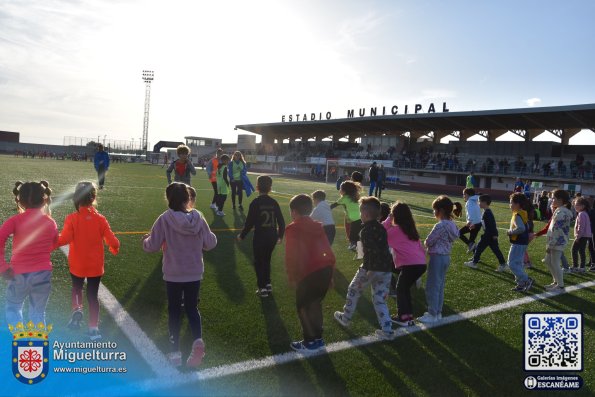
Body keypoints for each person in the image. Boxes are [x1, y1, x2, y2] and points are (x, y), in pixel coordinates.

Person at [142, 182, 217, 367]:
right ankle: (198, 340)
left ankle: (175, 352)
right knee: (192, 308)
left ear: (169, 198)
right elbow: (210, 243)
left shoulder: (165, 219)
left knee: (174, 310)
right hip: (194, 272)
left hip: (174, 273)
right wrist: (209, 237)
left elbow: (152, 246)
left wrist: (145, 240)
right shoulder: (198, 217)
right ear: (187, 198)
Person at [57, 181, 120, 340]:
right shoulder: (100, 219)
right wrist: (114, 248)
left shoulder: (71, 218)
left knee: (77, 288)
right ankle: (93, 328)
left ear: (76, 198)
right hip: (95, 266)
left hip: (77, 264)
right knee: (93, 296)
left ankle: (77, 308)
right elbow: (112, 240)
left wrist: (50, 241)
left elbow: (63, 239)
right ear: (93, 198)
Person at [334, 196, 396, 340]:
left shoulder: (366, 231)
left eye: (361, 213)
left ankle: (346, 317)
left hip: (371, 269)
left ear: (366, 214)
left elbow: (372, 253)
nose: (360, 216)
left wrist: (368, 274)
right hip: (386, 270)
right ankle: (387, 330)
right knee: (380, 299)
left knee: (353, 290)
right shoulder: (381, 227)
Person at [0, 181, 57, 327]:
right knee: (38, 313)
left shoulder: (15, 220)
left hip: (18, 274)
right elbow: (53, 243)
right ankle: (38, 346)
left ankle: (19, 342)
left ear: (20, 201)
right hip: (43, 274)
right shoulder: (50, 223)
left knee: (13, 308)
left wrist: (3, 267)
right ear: (44, 200)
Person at [285, 194, 335, 352]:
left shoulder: (293, 228)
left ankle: (310, 341)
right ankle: (318, 338)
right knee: (315, 304)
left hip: (309, 274)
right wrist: (330, 274)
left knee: (303, 307)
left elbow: (291, 255)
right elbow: (327, 250)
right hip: (325, 270)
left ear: (293, 212)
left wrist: (292, 276)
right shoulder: (318, 226)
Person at [237, 176, 285, 297]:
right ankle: (268, 283)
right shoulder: (274, 202)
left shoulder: (255, 202)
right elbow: (281, 221)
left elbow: (249, 223)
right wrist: (280, 236)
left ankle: (262, 287)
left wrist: (242, 235)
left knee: (259, 262)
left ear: (257, 187)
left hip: (260, 237)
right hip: (272, 237)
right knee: (267, 260)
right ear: (270, 188)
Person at [382, 202, 426, 326]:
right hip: (420, 264)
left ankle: (403, 317)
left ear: (395, 215)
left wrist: (389, 218)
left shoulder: (396, 230)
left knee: (400, 289)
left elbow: (381, 231)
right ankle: (408, 316)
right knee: (404, 289)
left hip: (411, 265)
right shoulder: (410, 229)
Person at [418, 196, 459, 324]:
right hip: (446, 257)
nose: (434, 212)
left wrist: (424, 242)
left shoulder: (440, 225)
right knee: (439, 285)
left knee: (432, 286)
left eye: (434, 209)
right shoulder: (452, 224)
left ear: (440, 210)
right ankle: (437, 311)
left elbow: (429, 241)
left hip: (437, 257)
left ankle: (432, 313)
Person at [464, 194, 507, 271]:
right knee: (495, 249)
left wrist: (494, 235)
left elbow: (492, 225)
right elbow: (483, 223)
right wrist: (475, 225)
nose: (478, 203)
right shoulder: (485, 211)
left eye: (479, 202)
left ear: (485, 202)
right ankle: (503, 264)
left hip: (488, 235)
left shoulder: (488, 213)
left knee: (479, 247)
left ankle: (474, 263)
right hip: (489, 235)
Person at [542, 190, 573, 291]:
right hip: (556, 241)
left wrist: (550, 245)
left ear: (560, 200)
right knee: (548, 261)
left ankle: (560, 285)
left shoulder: (561, 212)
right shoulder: (561, 210)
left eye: (554, 198)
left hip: (557, 242)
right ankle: (556, 282)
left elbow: (557, 230)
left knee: (554, 263)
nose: (551, 200)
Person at [506, 193, 534, 292]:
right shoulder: (523, 212)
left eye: (511, 203)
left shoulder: (517, 214)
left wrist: (510, 232)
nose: (510, 205)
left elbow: (521, 228)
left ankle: (526, 280)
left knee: (511, 264)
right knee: (518, 263)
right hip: (522, 242)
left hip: (518, 242)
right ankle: (521, 284)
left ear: (518, 204)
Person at [330, 181, 362, 251]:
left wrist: (326, 209)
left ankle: (353, 245)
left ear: (344, 191)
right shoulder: (353, 197)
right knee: (357, 234)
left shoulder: (344, 198)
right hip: (360, 218)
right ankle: (359, 251)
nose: (339, 191)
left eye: (340, 189)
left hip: (354, 219)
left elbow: (334, 205)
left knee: (352, 235)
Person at [571, 197, 591, 273]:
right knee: (581, 251)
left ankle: (575, 266)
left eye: (577, 205)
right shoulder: (584, 213)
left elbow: (581, 227)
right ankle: (582, 267)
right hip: (585, 235)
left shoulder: (581, 214)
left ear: (583, 206)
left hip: (582, 236)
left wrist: (578, 237)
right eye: (575, 205)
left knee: (574, 250)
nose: (575, 206)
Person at [459, 188, 482, 253]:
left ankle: (470, 245)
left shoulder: (469, 202)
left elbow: (471, 212)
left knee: (459, 233)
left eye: (464, 194)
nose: (463, 196)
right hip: (478, 223)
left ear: (467, 194)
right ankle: (476, 258)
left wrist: (469, 221)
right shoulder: (475, 200)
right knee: (472, 241)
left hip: (473, 224)